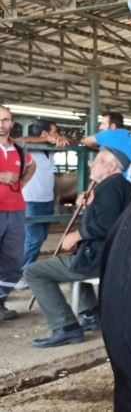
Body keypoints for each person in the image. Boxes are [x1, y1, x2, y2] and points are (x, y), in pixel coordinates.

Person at [24, 147, 131, 347]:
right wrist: (89, 205)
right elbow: (108, 217)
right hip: (115, 255)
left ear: (110, 167)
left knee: (34, 272)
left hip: (99, 257)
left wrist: (77, 235)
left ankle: (65, 327)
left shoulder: (109, 188)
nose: (91, 164)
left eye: (97, 161)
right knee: (72, 265)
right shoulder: (122, 186)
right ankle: (92, 314)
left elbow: (107, 224)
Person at [16, 120, 71, 286]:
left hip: (47, 199)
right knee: (34, 239)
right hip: (30, 200)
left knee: (40, 238)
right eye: (54, 132)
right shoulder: (28, 149)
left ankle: (25, 271)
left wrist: (62, 139)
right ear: (45, 134)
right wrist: (47, 141)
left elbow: (74, 142)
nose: (56, 135)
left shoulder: (51, 150)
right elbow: (19, 140)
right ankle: (21, 275)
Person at [0, 106, 36, 320]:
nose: (2, 125)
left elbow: (32, 166)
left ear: (12, 123)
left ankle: (1, 301)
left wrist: (22, 182)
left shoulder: (19, 150)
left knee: (12, 260)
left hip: (15, 210)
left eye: (6, 120)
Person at [81, 112, 131, 178]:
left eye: (103, 124)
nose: (100, 127)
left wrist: (99, 148)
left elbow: (86, 141)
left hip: (128, 180)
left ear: (113, 126)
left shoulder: (111, 134)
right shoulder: (125, 135)